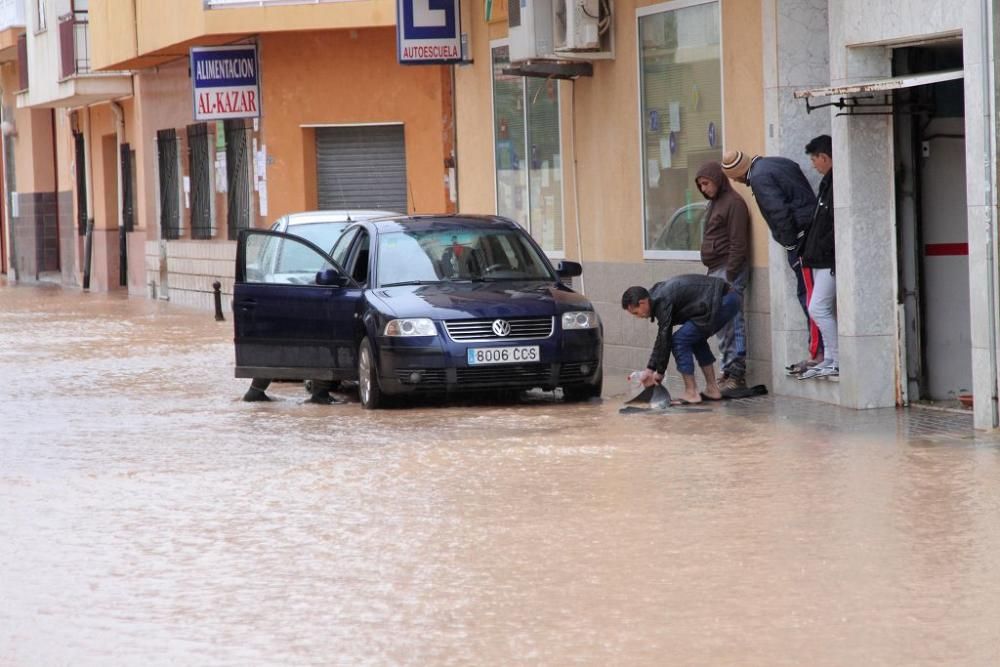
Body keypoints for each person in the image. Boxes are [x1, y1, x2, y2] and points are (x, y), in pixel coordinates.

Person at [720, 149, 823, 375]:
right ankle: (820, 352)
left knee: (808, 296)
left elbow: (779, 213)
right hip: (814, 233)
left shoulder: (758, 178)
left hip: (801, 241)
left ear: (738, 174)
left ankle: (818, 354)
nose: (737, 182)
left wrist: (789, 244)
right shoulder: (779, 162)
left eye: (735, 177)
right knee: (814, 295)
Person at [621, 274, 741, 405]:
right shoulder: (655, 298)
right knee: (694, 338)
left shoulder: (662, 300)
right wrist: (650, 369)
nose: (637, 317)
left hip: (723, 300)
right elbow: (662, 337)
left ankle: (692, 392)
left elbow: (665, 338)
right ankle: (713, 389)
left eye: (636, 313)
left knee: (680, 340)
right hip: (724, 298)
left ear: (642, 303)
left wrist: (659, 373)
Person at [695, 161, 750, 391]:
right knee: (720, 323)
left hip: (728, 269)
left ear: (717, 180)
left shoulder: (734, 203)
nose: (704, 189)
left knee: (732, 320)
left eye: (706, 183)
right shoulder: (715, 203)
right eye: (700, 185)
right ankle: (727, 369)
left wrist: (731, 272)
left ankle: (737, 372)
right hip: (716, 269)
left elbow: (738, 242)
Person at [798, 135, 838, 379]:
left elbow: (835, 224)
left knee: (818, 307)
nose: (813, 164)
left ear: (824, 157)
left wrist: (822, 248)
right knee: (820, 308)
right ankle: (832, 357)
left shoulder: (835, 184)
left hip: (828, 260)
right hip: (819, 258)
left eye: (815, 158)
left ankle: (837, 358)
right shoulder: (826, 184)